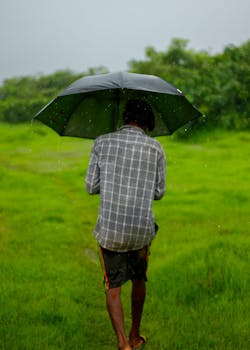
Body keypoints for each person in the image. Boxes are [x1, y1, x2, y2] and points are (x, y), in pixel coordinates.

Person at [85, 99, 166, 350]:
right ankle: (134, 334)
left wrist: (110, 184)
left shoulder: (102, 142)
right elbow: (159, 192)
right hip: (141, 232)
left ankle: (123, 344)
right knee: (139, 280)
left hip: (111, 233)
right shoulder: (156, 149)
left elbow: (90, 186)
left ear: (124, 118)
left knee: (114, 286)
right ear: (147, 122)